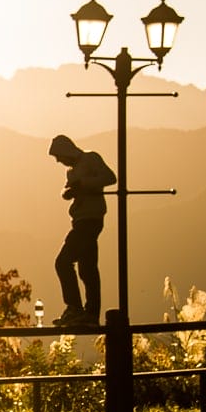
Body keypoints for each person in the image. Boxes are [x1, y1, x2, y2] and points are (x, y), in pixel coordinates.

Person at [48, 134, 117, 327]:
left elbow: (110, 178)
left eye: (58, 156)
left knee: (63, 262)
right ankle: (90, 314)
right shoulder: (72, 171)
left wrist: (83, 184)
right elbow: (68, 189)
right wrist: (69, 192)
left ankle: (75, 308)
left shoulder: (91, 158)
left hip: (90, 219)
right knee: (87, 269)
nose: (58, 161)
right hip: (80, 220)